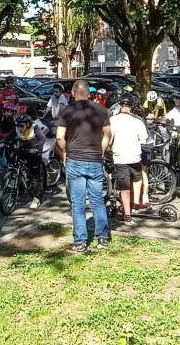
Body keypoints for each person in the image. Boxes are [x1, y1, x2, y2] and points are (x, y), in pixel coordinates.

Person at [56, 80, 112, 253]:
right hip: (95, 160)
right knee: (98, 200)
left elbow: (59, 137)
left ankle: (80, 243)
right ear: (89, 93)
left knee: (78, 203)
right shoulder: (102, 110)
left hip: (75, 160)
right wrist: (101, 151)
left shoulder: (67, 110)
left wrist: (64, 153)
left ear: (72, 93)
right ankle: (103, 238)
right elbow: (108, 135)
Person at [108, 102, 149, 223]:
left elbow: (110, 140)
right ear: (131, 107)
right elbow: (143, 139)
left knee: (124, 188)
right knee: (136, 180)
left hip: (120, 157)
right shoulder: (138, 121)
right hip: (135, 157)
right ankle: (135, 203)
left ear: (120, 106)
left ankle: (127, 214)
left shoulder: (113, 120)